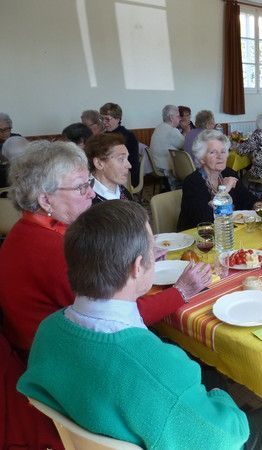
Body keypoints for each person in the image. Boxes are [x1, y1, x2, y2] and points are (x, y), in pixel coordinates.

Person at [18, 200, 262, 450]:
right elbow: (226, 438)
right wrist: (223, 399)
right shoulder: (155, 368)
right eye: (151, 250)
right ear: (137, 266)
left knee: (208, 374)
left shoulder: (48, 330)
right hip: (202, 431)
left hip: (101, 419)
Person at [0, 141, 212, 449]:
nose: (90, 192)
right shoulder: (53, 250)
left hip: (50, 358)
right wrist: (181, 292)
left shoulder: (28, 231)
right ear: (45, 199)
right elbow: (115, 314)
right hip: (75, 373)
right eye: (80, 187)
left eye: (88, 182)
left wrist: (136, 256)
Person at [178, 130, 262, 230]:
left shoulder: (228, 173)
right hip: (200, 238)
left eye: (223, 151)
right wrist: (224, 191)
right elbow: (203, 220)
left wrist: (259, 205)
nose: (220, 156)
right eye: (213, 152)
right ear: (201, 158)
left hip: (229, 234)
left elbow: (246, 198)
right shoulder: (192, 182)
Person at [99, 102, 140, 186]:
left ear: (117, 119)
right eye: (102, 119)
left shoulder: (127, 135)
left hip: (126, 175)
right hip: (109, 172)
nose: (104, 122)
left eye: (107, 119)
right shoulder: (104, 135)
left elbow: (133, 162)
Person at [84, 133, 133, 204]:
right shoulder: (87, 202)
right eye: (121, 159)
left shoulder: (122, 191)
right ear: (99, 163)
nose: (129, 165)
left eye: (127, 158)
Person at [149, 104, 185, 189]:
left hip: (155, 165)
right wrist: (186, 130)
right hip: (166, 168)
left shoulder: (158, 127)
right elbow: (185, 145)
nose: (180, 119)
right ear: (172, 117)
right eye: (178, 116)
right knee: (189, 170)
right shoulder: (172, 131)